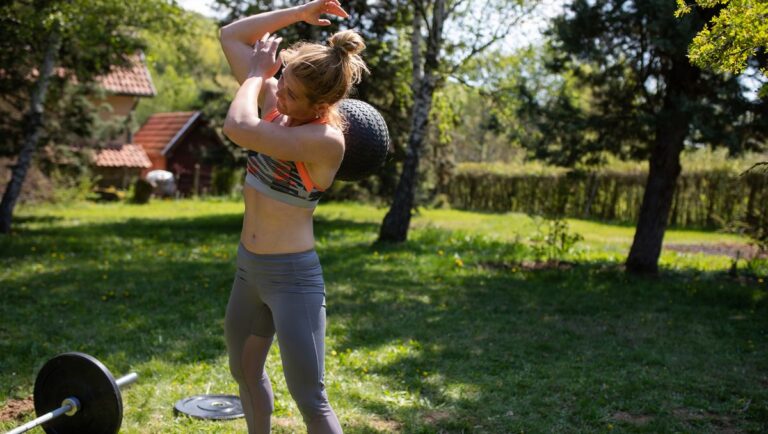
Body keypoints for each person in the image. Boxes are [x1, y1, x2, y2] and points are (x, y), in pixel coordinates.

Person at [219, 1, 367, 433]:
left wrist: (254, 77)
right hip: (249, 271)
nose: (279, 95)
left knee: (309, 397)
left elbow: (239, 128)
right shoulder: (278, 108)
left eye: (292, 95)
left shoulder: (325, 140)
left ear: (322, 104)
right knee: (245, 373)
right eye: (280, 82)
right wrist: (301, 12)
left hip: (293, 280)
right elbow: (231, 35)